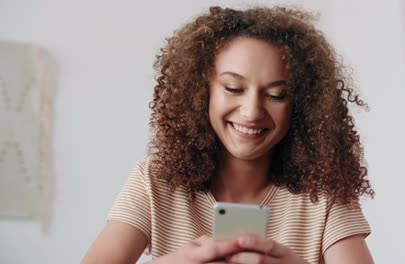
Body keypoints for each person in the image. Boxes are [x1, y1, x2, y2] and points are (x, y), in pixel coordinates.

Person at [82, 6, 375, 264]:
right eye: (233, 88)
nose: (251, 112)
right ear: (202, 91)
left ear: (301, 105)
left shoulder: (324, 194)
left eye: (276, 95)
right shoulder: (154, 182)